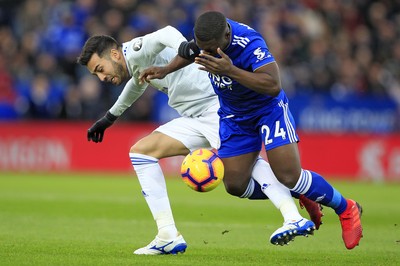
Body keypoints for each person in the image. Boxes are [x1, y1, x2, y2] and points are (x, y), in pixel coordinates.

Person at [76, 26, 321, 255]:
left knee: (249, 164)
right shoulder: (136, 64)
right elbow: (137, 85)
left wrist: (184, 47)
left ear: (115, 54)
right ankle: (167, 235)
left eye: (100, 69)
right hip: (195, 117)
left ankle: (292, 217)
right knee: (141, 152)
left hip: (217, 107)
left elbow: (167, 32)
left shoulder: (138, 48)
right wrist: (109, 118)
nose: (101, 77)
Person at [139, 11, 363, 250]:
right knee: (235, 184)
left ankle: (345, 207)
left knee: (288, 176)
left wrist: (230, 70)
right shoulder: (207, 38)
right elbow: (192, 52)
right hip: (235, 116)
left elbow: (273, 85)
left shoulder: (249, 43)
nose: (207, 53)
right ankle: (303, 193)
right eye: (203, 48)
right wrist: (165, 70)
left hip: (268, 110)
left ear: (226, 35)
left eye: (212, 48)